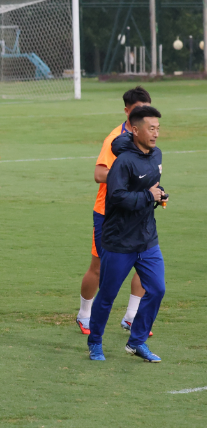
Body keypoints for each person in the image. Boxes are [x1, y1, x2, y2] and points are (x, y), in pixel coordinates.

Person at [88, 106, 165, 362]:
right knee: (107, 296)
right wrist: (148, 196)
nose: (156, 133)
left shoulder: (156, 155)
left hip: (147, 239)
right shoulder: (122, 162)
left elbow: (150, 185)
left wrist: (160, 194)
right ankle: (95, 342)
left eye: (158, 128)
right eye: (151, 129)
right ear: (135, 130)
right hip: (119, 241)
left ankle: (137, 341)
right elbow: (117, 197)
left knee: (157, 289)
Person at [76, 86, 153, 335]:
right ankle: (84, 314)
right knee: (99, 267)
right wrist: (129, 176)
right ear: (127, 111)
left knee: (145, 265)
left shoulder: (147, 138)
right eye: (138, 110)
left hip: (139, 211)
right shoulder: (115, 139)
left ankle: (131, 316)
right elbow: (99, 174)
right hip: (109, 213)